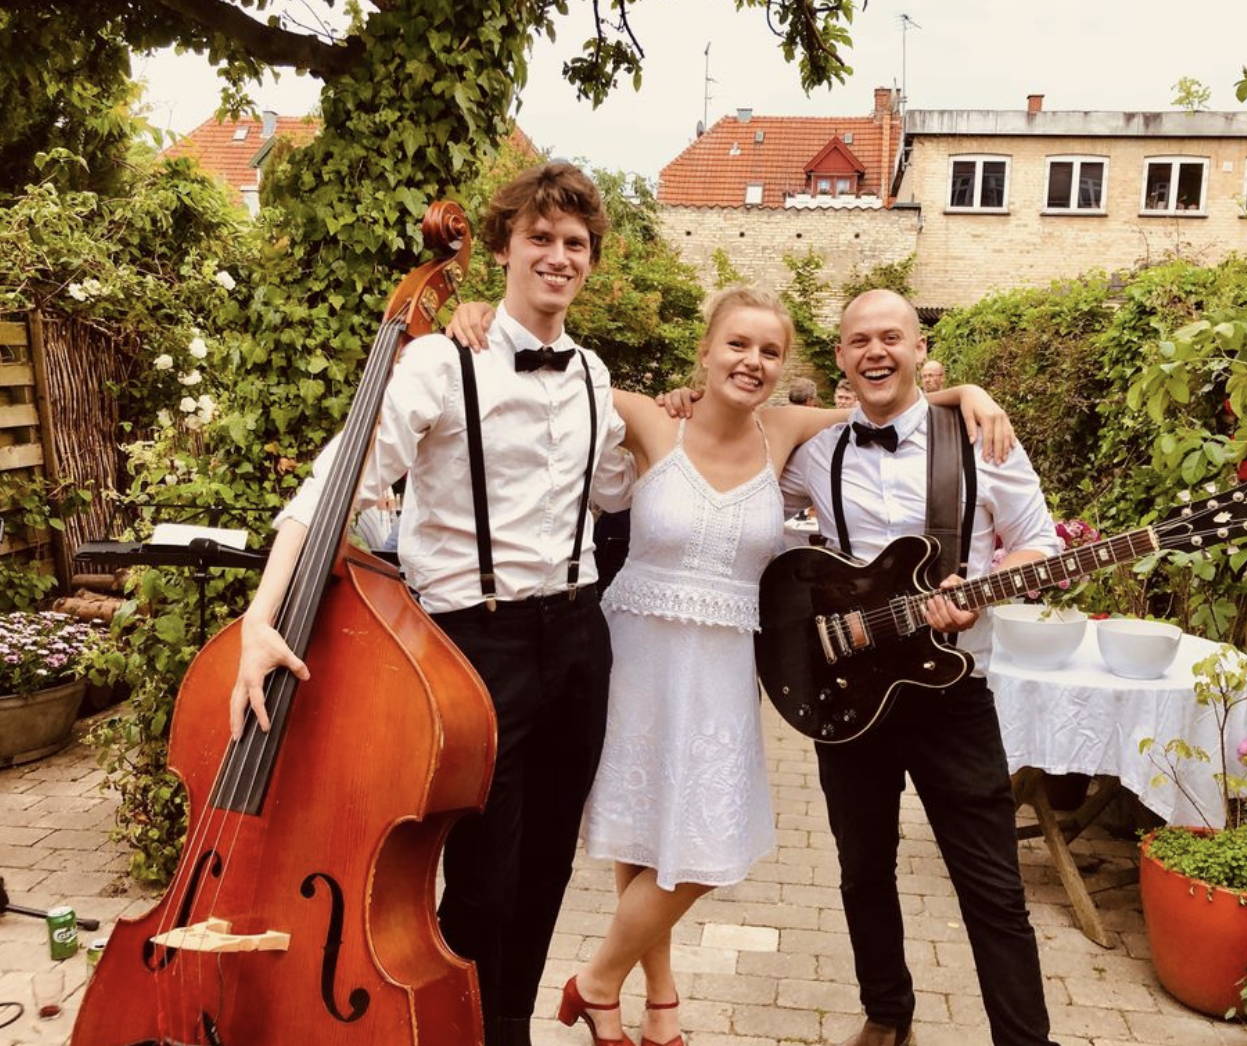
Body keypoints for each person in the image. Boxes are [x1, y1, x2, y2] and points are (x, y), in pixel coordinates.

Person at [448, 289, 1018, 1046]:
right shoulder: (651, 420)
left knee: (709, 842)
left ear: (785, 369)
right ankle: (657, 1004)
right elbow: (542, 375)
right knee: (643, 832)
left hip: (726, 662)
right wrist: (482, 316)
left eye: (770, 353)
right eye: (738, 346)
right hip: (636, 651)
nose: (753, 363)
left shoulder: (785, 431)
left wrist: (966, 390)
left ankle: (593, 981)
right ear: (706, 351)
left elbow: (890, 400)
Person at [229, 162, 633, 1046]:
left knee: (549, 867)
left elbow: (613, 490)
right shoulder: (438, 363)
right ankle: (458, 1031)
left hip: (577, 641)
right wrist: (263, 619)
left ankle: (511, 1028)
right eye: (540, 237)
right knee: (484, 881)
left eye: (575, 243)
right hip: (472, 649)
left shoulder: (597, 376)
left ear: (591, 260)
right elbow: (332, 488)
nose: (559, 256)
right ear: (500, 249)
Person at [780, 289, 1062, 1046]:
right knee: (862, 870)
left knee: (993, 889)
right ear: (840, 357)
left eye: (891, 338)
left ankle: (1025, 1040)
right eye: (859, 340)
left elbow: (1041, 542)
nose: (875, 351)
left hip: (952, 693)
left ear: (918, 351)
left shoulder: (979, 438)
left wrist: (977, 593)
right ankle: (887, 1015)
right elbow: (731, 473)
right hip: (849, 686)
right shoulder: (813, 451)